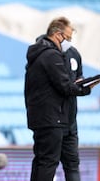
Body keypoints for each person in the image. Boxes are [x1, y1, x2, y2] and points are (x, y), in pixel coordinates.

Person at [25, 17, 93, 181]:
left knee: (63, 163)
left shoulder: (69, 54)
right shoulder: (49, 56)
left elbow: (71, 80)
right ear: (57, 35)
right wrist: (86, 88)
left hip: (64, 118)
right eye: (67, 38)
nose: (69, 42)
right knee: (47, 162)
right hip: (51, 118)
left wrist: (79, 83)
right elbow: (65, 86)